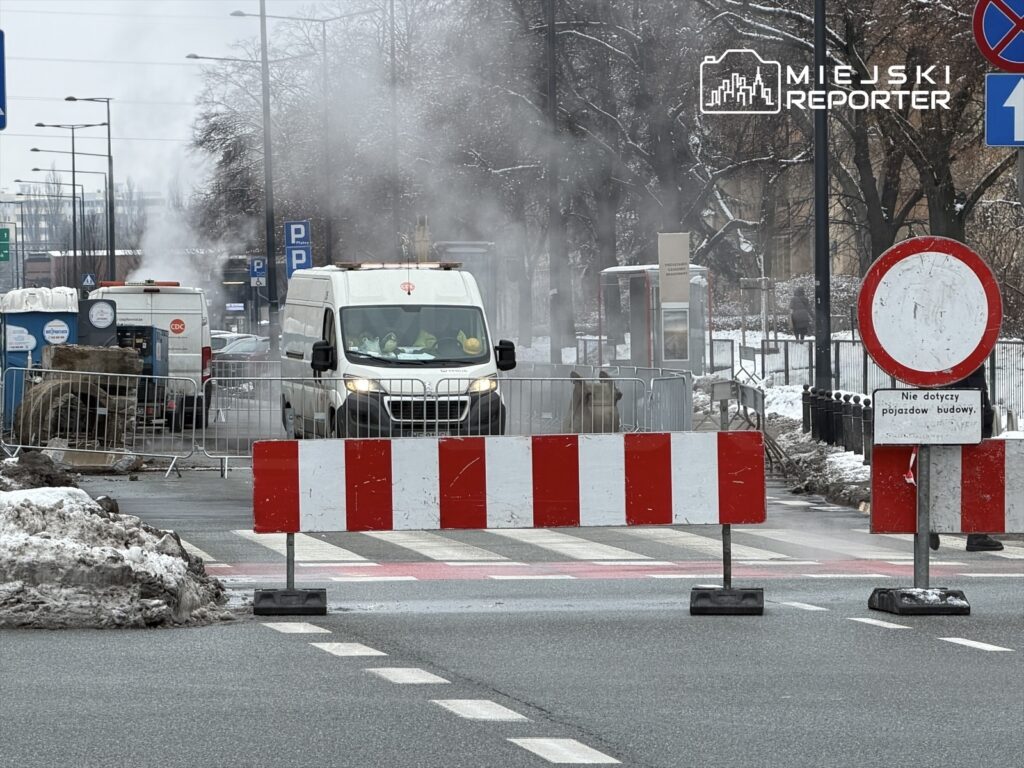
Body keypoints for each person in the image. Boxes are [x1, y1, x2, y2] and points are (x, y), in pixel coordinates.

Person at [930, 364, 1004, 552]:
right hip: (970, 420)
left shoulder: (938, 352)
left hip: (938, 413)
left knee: (941, 472)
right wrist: (986, 419)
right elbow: (977, 391)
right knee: (976, 478)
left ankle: (930, 523)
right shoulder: (969, 350)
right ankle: (976, 533)